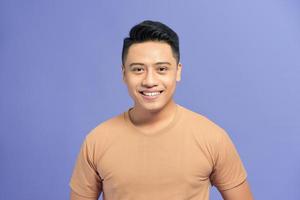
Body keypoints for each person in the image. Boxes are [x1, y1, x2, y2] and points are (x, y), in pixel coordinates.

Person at [69, 20, 253, 200]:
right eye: (138, 69)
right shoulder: (97, 141)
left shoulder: (213, 138)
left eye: (162, 69)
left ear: (178, 71)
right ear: (124, 74)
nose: (150, 81)